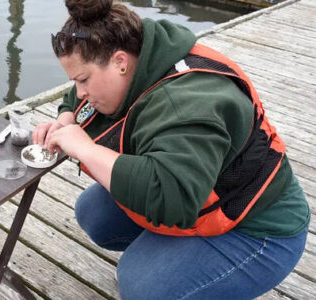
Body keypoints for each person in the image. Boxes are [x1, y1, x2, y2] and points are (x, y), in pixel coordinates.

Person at [33, 1, 310, 299]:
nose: (79, 91)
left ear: (120, 61)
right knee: (95, 213)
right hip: (204, 195)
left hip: (259, 229)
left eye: (83, 79)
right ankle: (175, 261)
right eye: (74, 81)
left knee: (142, 286)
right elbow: (79, 95)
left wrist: (85, 149)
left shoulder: (187, 105)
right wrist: (66, 117)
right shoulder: (143, 54)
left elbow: (172, 197)